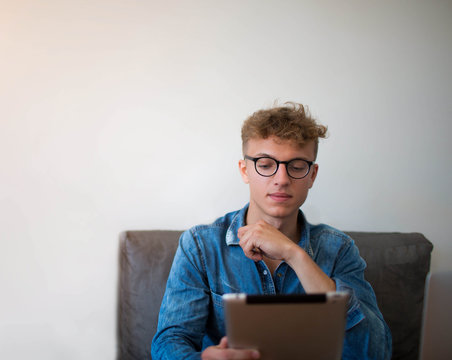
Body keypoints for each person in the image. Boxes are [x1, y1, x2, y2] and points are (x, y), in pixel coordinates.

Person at [151, 102, 392, 360]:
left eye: (297, 166)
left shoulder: (339, 249)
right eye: (266, 165)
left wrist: (295, 255)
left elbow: (376, 352)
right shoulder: (200, 246)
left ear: (312, 175)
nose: (282, 179)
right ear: (245, 170)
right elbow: (169, 342)